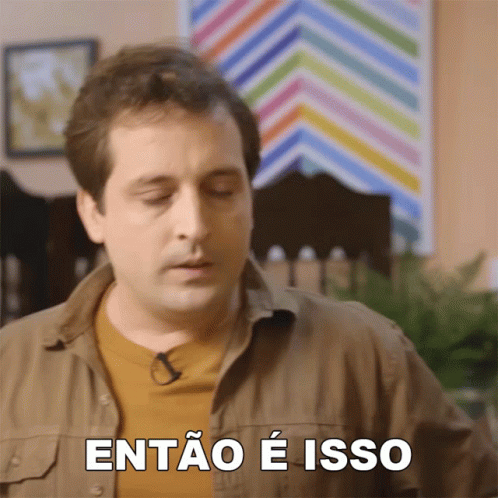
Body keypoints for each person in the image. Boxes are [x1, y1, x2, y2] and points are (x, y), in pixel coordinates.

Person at [0, 44, 496, 498]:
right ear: (93, 213)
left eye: (221, 191)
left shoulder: (364, 357)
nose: (195, 226)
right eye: (156, 196)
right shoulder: (10, 369)